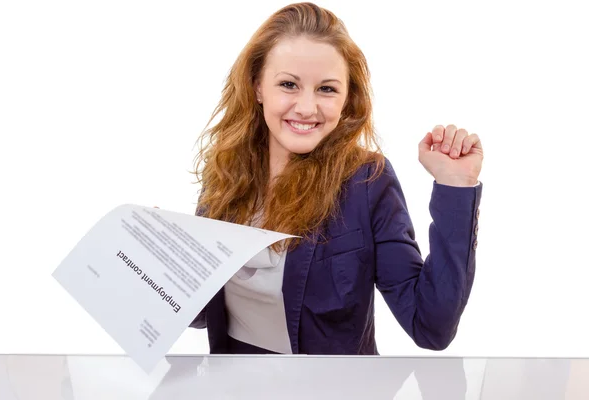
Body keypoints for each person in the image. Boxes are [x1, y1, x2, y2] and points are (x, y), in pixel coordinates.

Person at [188, 2, 483, 355]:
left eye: (326, 89)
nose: (307, 108)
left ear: (347, 99)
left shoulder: (367, 181)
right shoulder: (226, 172)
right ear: (257, 88)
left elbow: (430, 327)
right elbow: (203, 312)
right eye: (288, 84)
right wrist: (164, 257)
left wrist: (456, 187)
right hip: (234, 387)